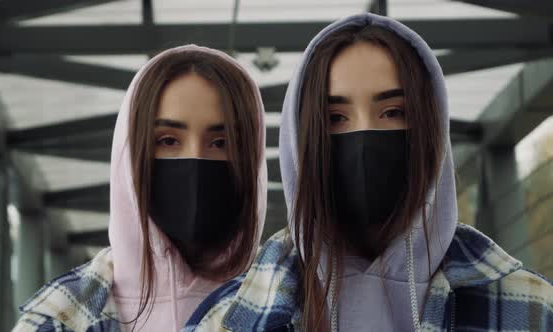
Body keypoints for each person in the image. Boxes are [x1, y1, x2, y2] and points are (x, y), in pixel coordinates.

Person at [184, 14, 553, 332]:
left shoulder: (530, 309)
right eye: (335, 119)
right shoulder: (226, 321)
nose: (364, 141)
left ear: (432, 130)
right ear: (302, 140)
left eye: (393, 112)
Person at [12, 45, 268, 332]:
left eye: (222, 143)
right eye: (169, 140)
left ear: (252, 157)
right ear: (131, 152)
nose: (195, 161)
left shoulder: (293, 306)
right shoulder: (57, 318)